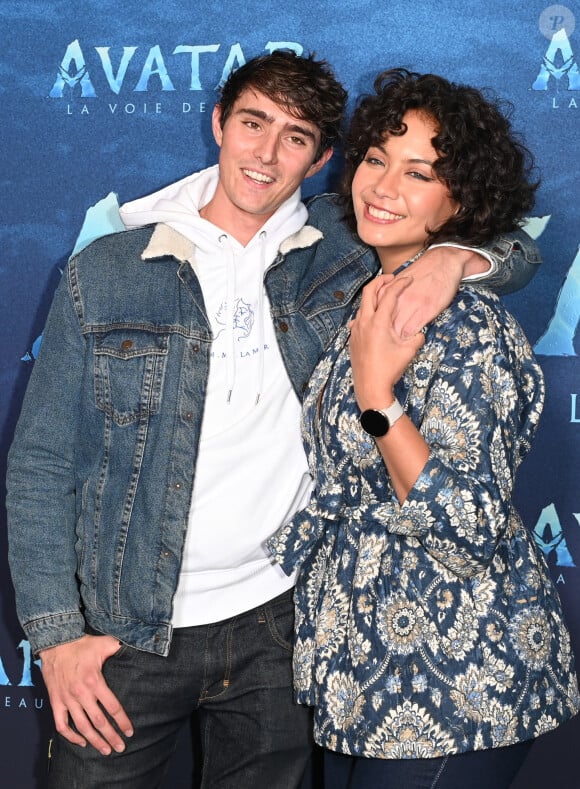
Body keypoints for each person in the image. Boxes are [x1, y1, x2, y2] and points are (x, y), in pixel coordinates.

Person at [6, 52, 540, 789]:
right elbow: (40, 466)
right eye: (253, 123)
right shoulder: (108, 268)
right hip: (129, 632)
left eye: (295, 137)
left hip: (281, 627)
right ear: (219, 122)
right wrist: (57, 636)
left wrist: (456, 259)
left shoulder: (341, 248)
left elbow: (507, 238)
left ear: (321, 160)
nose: (265, 153)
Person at [268, 69, 580, 789]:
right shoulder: (362, 295)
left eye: (420, 172)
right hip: (364, 676)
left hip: (455, 678)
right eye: (376, 158)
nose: (384, 186)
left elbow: (470, 525)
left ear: (460, 200)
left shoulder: (469, 325)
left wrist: (379, 396)